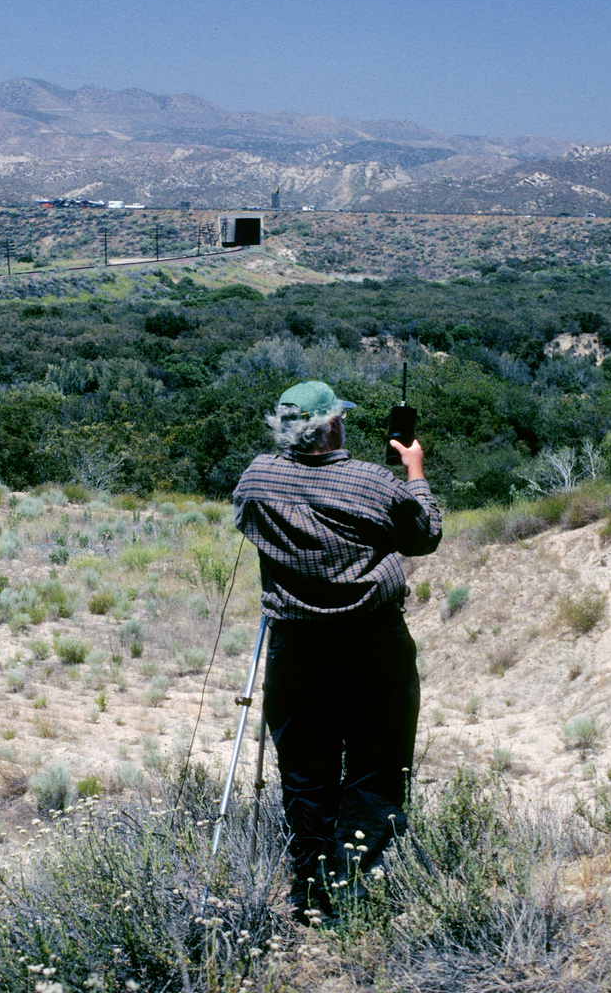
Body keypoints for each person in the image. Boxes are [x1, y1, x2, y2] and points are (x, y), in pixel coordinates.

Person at [231, 380, 442, 924]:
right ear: (332, 425)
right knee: (375, 766)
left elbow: (248, 517)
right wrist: (413, 470)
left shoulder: (257, 477)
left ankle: (309, 890)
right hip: (373, 643)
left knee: (305, 771)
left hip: (296, 646)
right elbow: (424, 536)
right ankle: (352, 883)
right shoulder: (374, 482)